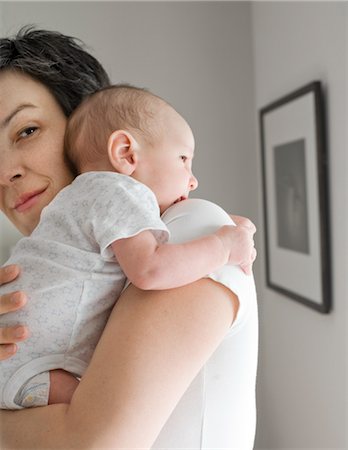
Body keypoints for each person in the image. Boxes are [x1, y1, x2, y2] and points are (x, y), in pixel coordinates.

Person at [0, 27, 258, 449]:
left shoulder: (190, 230)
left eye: (27, 131)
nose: (4, 169)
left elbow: (91, 443)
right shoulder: (42, 275)